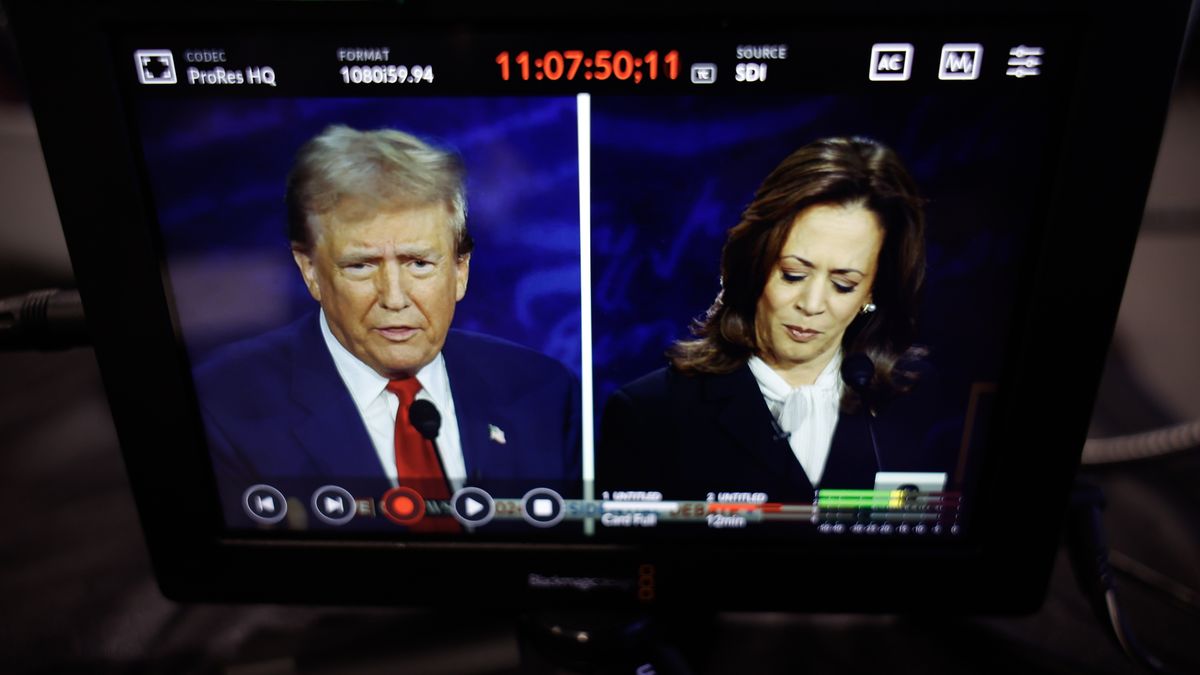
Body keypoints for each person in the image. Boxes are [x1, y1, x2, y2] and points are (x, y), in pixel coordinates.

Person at [195, 125, 581, 528]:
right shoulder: (225, 407)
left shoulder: (545, 394)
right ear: (310, 270)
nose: (394, 298)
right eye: (361, 266)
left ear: (460, 270)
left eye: (419, 263)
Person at [597, 136, 959, 504]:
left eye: (843, 284)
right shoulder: (649, 413)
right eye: (793, 275)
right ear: (756, 264)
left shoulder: (916, 401)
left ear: (872, 292)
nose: (813, 304)